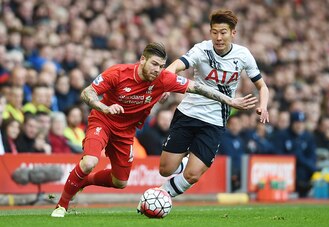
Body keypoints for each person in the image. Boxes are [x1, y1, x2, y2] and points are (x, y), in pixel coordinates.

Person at [51, 42, 257, 217]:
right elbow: (87, 93)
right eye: (154, 64)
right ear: (142, 60)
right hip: (103, 121)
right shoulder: (118, 73)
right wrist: (105, 107)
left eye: (162, 66)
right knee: (89, 162)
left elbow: (197, 87)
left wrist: (229, 100)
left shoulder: (162, 79)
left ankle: (84, 181)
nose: (158, 70)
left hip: (126, 132)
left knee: (120, 182)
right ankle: (62, 205)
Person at [154, 9, 269, 200]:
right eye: (214, 32)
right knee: (165, 169)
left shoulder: (243, 55)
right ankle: (183, 162)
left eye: (223, 32)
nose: (218, 37)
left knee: (192, 175)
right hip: (188, 113)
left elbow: (262, 87)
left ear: (233, 33)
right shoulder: (201, 49)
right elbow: (176, 65)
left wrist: (263, 106)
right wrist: (167, 82)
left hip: (215, 120)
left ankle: (160, 196)